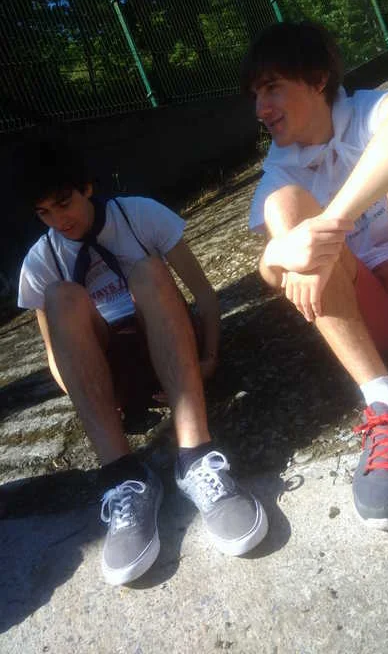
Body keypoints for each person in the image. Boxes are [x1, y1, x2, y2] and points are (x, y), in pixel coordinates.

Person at [15, 139, 268, 586]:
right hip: (111, 368)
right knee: (60, 296)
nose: (59, 220)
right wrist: (95, 399)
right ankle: (124, 477)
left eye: (64, 203)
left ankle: (196, 457)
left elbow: (204, 295)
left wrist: (209, 356)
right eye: (44, 213)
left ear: (86, 187)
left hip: (171, 339)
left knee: (148, 270)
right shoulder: (42, 260)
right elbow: (56, 356)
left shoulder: (139, 214)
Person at [241, 20, 388, 531]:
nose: (261, 108)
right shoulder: (280, 167)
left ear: (317, 79)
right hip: (368, 307)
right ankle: (384, 400)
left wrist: (330, 225)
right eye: (255, 95)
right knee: (284, 208)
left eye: (272, 88)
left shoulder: (368, 112)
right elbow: (270, 270)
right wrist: (284, 254)